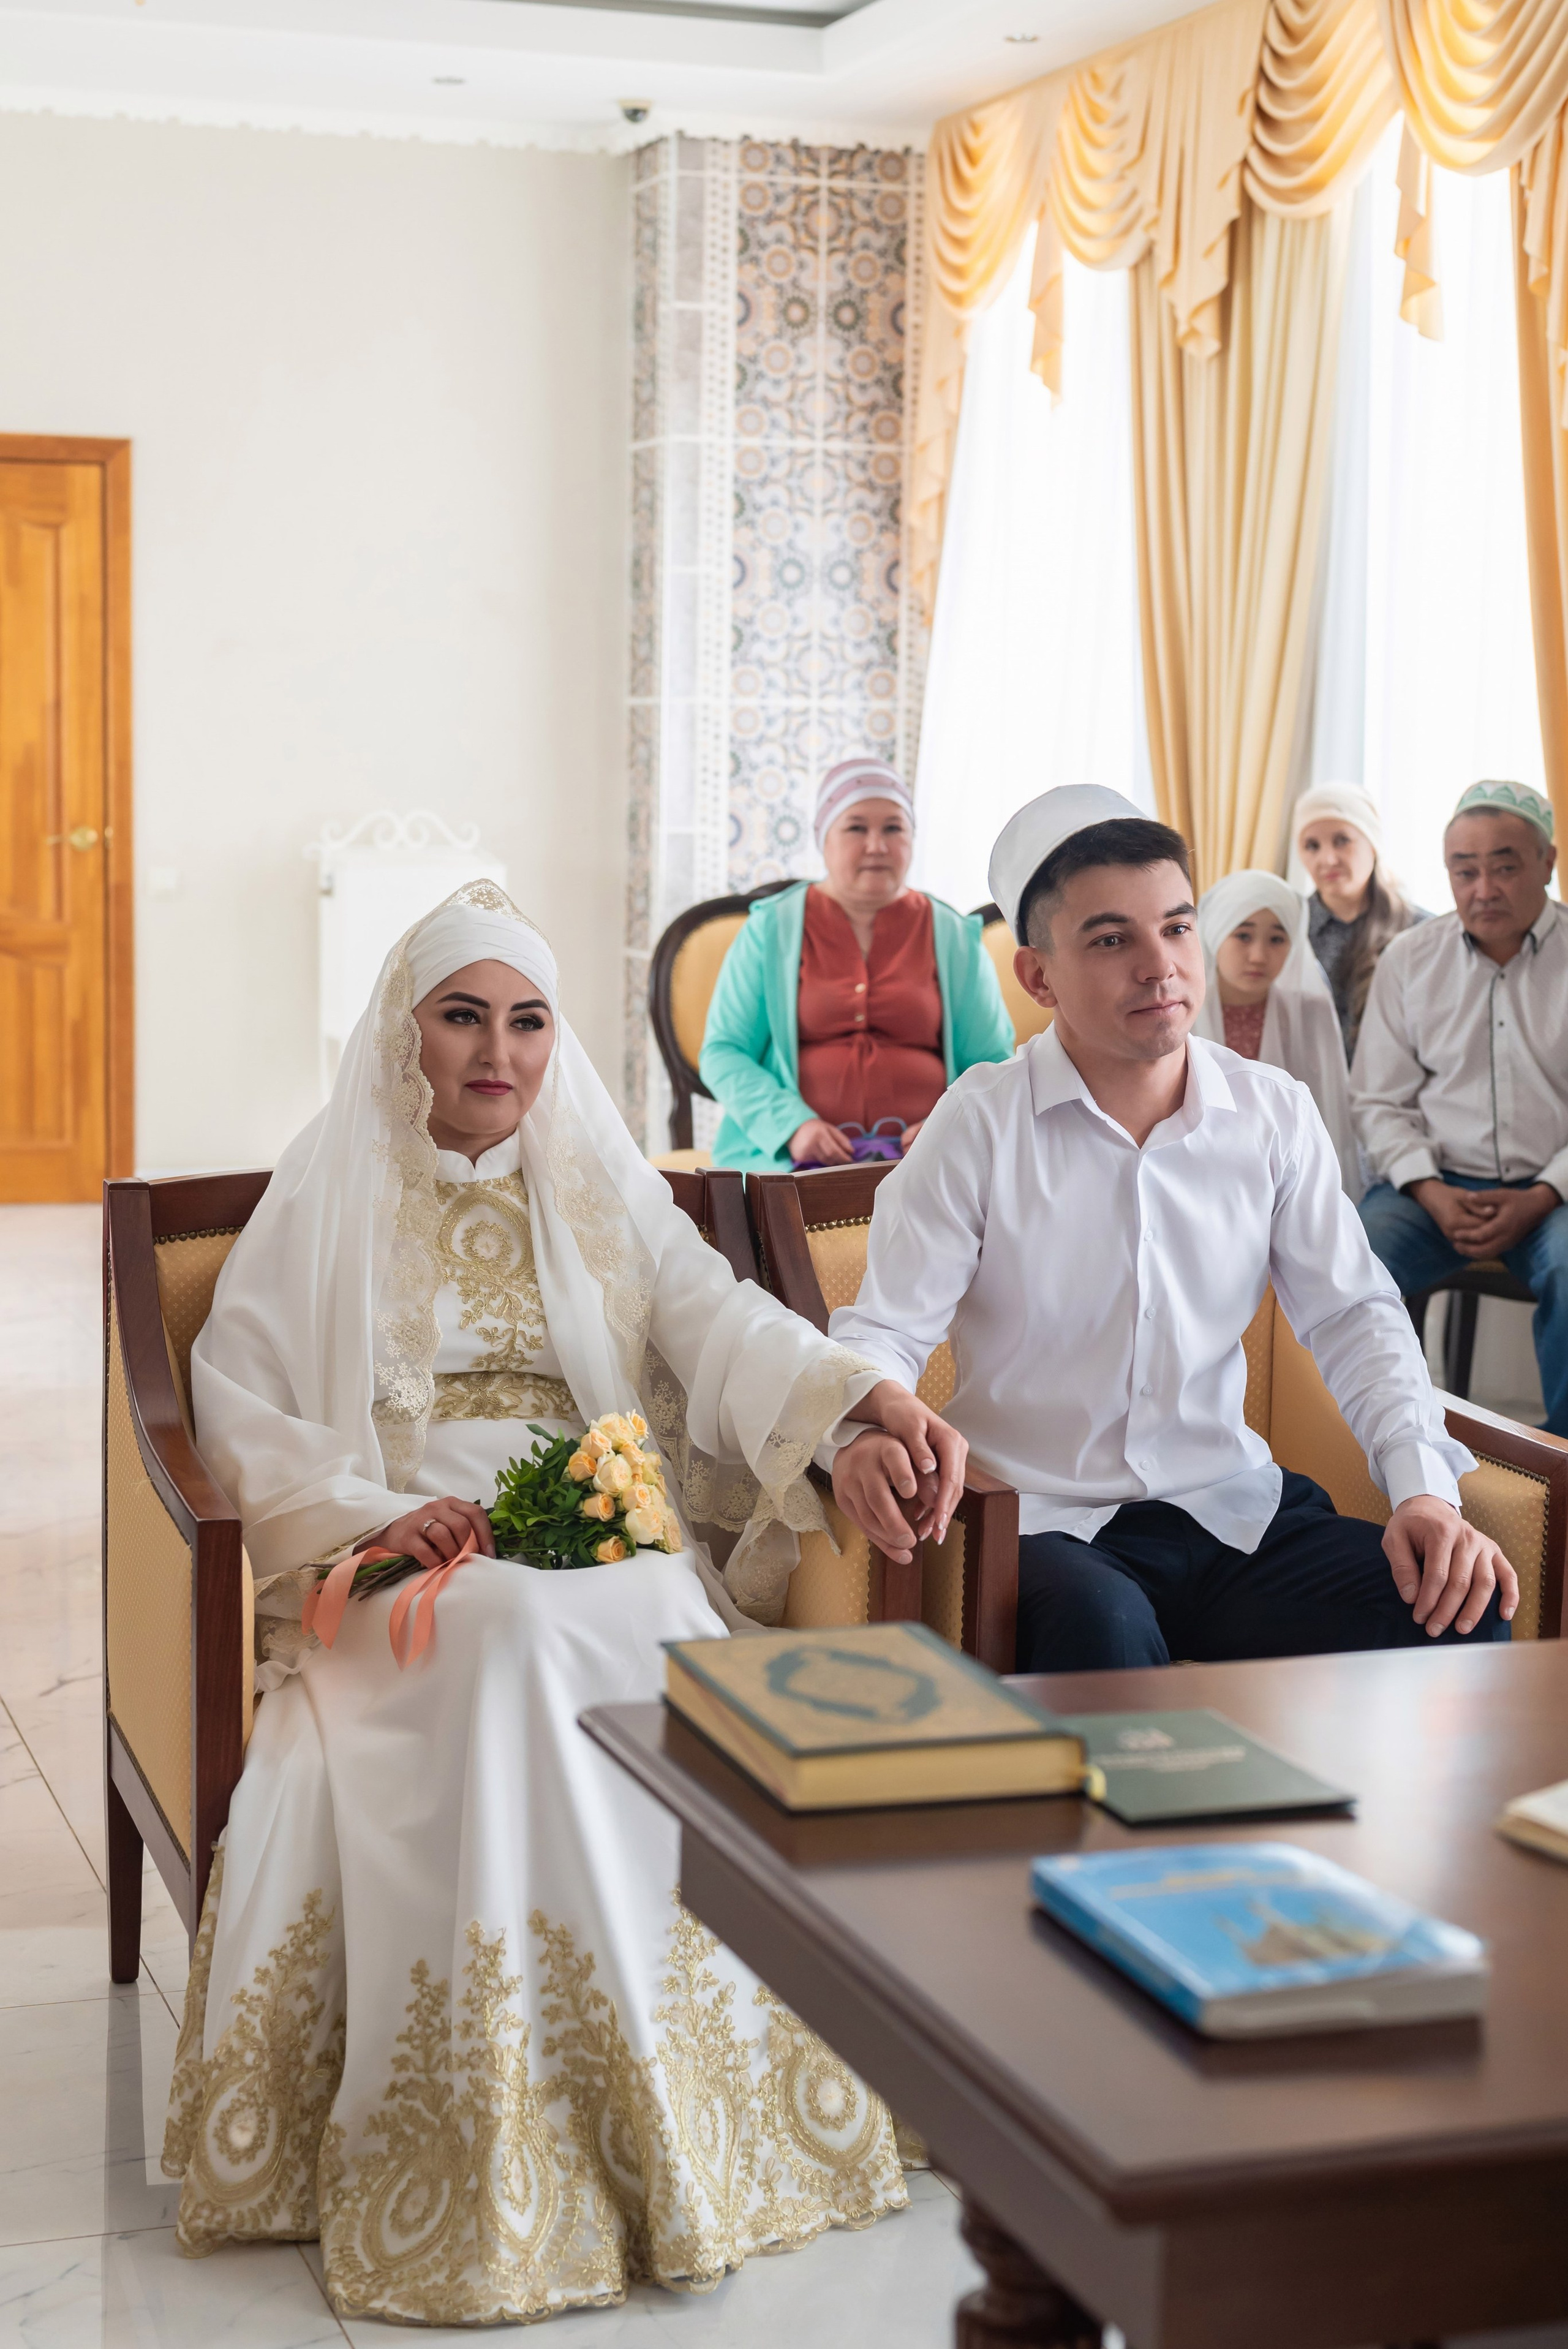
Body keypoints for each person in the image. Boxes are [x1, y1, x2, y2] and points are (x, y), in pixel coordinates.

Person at [162, 881, 967, 2324]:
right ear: (402, 1034)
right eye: (461, 1014)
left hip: (597, 1521)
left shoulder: (595, 1183)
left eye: (527, 1019)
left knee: (631, 1607)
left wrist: (853, 1404)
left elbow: (716, 1317)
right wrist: (367, 1514)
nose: (499, 1051)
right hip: (407, 1550)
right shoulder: (329, 1182)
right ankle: (495, 2123)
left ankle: (654, 2100)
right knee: (512, 1630)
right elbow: (237, 1399)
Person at [827, 785, 1517, 1675]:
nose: (1162, 968)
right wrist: (864, 1429)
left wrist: (1423, 1490)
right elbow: (885, 1329)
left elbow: (1354, 1315)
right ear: (1039, 975)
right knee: (1103, 1626)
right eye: (1112, 939)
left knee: (1461, 1608)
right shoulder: (980, 1124)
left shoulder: (1271, 1111)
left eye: (1179, 928)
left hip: (1234, 1511)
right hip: (1043, 1523)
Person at [1354, 779, 1568, 1438]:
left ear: (1548, 864)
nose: (1483, 889)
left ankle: (1559, 1476)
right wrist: (1431, 1190)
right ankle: (1376, 1447)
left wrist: (1541, 1195)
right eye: (1464, 869)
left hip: (1555, 1195)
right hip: (1432, 1190)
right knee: (1352, 1259)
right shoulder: (1409, 959)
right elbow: (1378, 1100)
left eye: (1505, 866)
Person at [701, 758, 1014, 1172]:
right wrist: (793, 1126)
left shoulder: (955, 936)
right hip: (790, 1164)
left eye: (893, 828)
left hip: (931, 1160)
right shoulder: (770, 930)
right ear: (823, 839)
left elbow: (990, 1060)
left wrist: (950, 1125)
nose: (877, 845)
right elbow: (725, 1052)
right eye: (856, 827)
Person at [1192, 870, 1361, 1198]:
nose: (1258, 956)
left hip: (1288, 1176)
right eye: (1243, 936)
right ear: (1215, 932)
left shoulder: (1308, 1011)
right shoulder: (1179, 1010)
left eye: (1277, 939)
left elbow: (1327, 1114)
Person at [1294, 783, 1427, 1060]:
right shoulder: (1288, 931)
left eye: (1342, 840)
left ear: (1373, 844)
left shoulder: (1422, 932)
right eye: (1312, 846)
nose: (1327, 859)